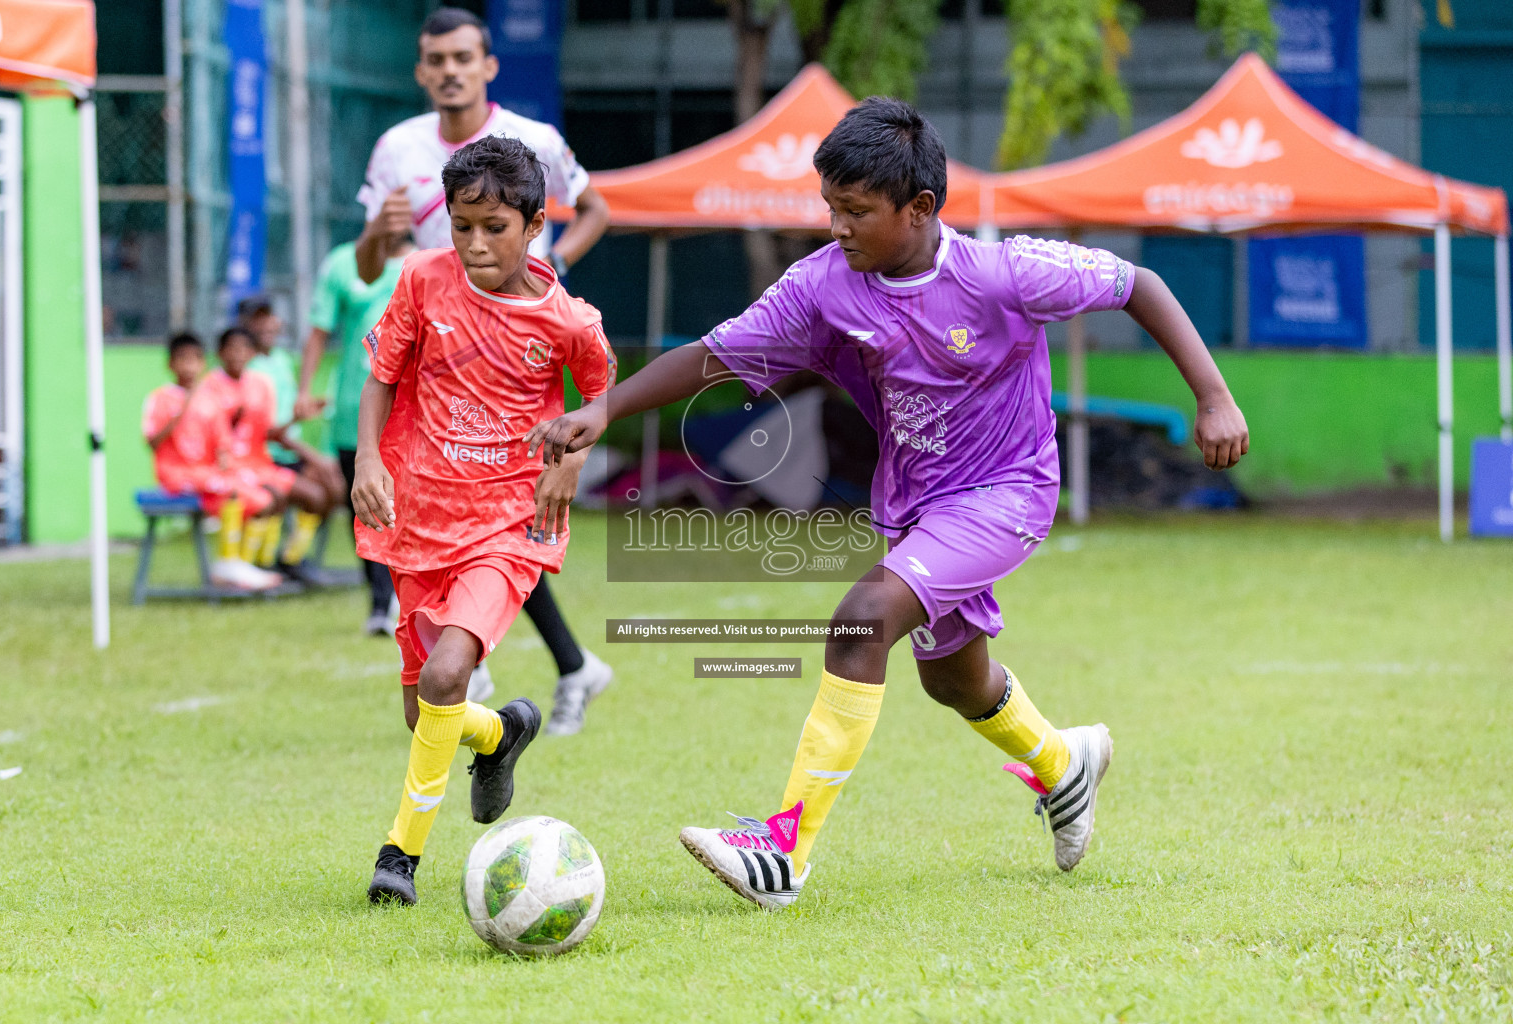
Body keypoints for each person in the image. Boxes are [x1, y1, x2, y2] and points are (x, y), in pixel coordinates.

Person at [525, 98, 1251, 910]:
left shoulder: (1004, 273)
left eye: (856, 212)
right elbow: (718, 355)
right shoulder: (823, 285)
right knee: (954, 680)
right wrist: (605, 410)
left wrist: (1214, 397)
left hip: (1007, 493)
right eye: (830, 208)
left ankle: (784, 848)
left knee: (861, 619)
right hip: (913, 506)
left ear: (920, 210)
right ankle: (1063, 765)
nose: (836, 226)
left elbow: (1138, 283)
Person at [351, 136, 617, 905]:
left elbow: (599, 400)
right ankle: (501, 734)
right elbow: (380, 376)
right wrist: (369, 460)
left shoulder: (570, 321)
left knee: (444, 674)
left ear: (535, 224)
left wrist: (565, 467)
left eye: (493, 227)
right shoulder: (423, 280)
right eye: (462, 225)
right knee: (423, 711)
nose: (473, 244)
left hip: (507, 525)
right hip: (418, 517)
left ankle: (399, 856)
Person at [353, 5, 612, 734]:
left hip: (511, 362)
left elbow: (595, 210)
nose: (449, 71)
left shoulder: (535, 143)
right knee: (454, 524)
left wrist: (551, 270)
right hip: (423, 353)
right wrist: (379, 231)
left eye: (463, 57)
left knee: (499, 517)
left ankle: (487, 667)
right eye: (436, 60)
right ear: (420, 71)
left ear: (488, 65)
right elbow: (370, 263)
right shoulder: (396, 149)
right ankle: (559, 667)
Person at [298, 235, 414, 635]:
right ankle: (380, 604)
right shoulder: (342, 263)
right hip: (354, 407)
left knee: (412, 506)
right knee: (365, 509)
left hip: (412, 409)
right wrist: (304, 390)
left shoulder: (430, 261)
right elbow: (318, 331)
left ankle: (410, 599)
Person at [140, 332, 281, 591]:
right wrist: (179, 413)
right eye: (182, 359)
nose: (189, 366)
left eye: (194, 359)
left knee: (259, 495)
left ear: (203, 363)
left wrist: (227, 460)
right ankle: (228, 563)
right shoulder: (160, 398)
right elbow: (151, 442)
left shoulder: (210, 400)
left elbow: (223, 444)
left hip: (206, 474)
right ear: (170, 364)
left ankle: (241, 563)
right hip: (176, 476)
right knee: (234, 494)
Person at [205, 326, 343, 584]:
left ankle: (290, 559)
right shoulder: (210, 386)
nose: (238, 354)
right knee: (272, 498)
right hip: (228, 467)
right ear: (220, 353)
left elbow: (268, 432)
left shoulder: (260, 384)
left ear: (252, 353)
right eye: (231, 348)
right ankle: (248, 564)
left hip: (260, 464)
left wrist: (295, 418)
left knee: (316, 496)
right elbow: (209, 434)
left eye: (244, 348)